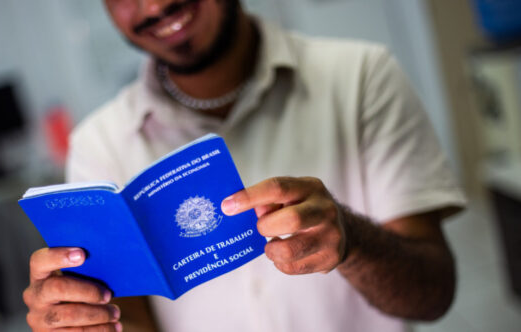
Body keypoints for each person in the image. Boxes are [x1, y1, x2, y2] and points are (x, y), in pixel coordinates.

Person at [23, 0, 466, 331]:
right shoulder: (97, 144)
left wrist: (354, 241)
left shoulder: (361, 76)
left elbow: (432, 294)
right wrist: (83, 318)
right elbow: (134, 319)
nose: (155, 6)